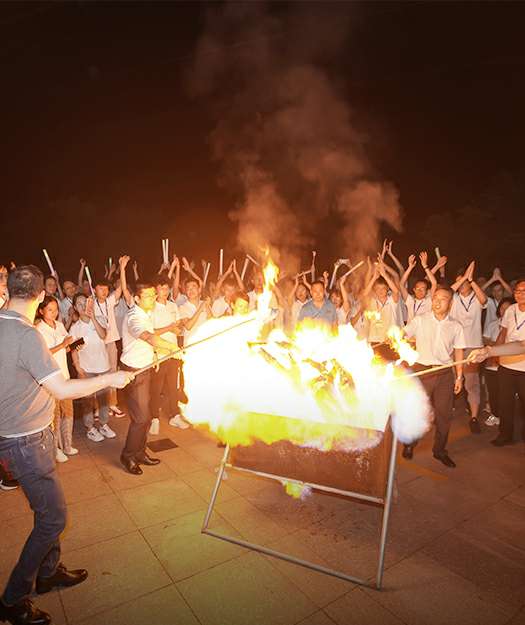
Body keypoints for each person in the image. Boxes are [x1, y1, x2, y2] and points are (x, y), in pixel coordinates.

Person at [0, 265, 131, 625]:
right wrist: (109, 379)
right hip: (25, 441)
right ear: (42, 295)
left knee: (47, 510)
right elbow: (61, 389)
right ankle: (13, 599)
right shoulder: (26, 334)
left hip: (23, 437)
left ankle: (48, 572)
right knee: (53, 517)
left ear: (8, 290)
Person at [119, 280, 181, 475]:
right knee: (141, 418)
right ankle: (128, 456)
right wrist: (171, 347)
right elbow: (147, 337)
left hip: (145, 367)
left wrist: (154, 355)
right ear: (137, 298)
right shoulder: (133, 317)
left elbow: (147, 342)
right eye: (148, 296)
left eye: (154, 295)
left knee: (145, 417)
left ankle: (139, 452)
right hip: (134, 371)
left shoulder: (146, 313)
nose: (153, 298)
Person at [402, 287, 466, 467]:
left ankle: (439, 450)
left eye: (442, 299)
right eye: (435, 298)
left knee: (444, 414)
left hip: (444, 372)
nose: (437, 302)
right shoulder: (420, 320)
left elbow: (459, 352)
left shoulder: (456, 326)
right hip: (422, 371)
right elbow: (404, 333)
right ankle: (410, 442)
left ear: (450, 303)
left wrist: (459, 376)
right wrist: (396, 335)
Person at [70, 294, 117, 443]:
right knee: (88, 401)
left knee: (104, 399)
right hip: (87, 369)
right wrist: (78, 367)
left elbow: (103, 335)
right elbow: (73, 350)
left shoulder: (100, 319)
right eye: (79, 304)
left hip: (103, 366)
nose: (83, 306)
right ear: (75, 308)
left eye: (85, 302)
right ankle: (90, 428)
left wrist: (93, 318)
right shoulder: (75, 328)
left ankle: (103, 424)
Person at [35, 296, 77, 462]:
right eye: (50, 310)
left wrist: (73, 346)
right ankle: (55, 449)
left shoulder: (59, 325)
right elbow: (43, 354)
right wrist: (63, 344)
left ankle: (67, 444)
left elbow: (65, 348)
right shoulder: (38, 329)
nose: (54, 313)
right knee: (54, 415)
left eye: (56, 309)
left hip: (64, 374)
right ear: (41, 311)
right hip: (51, 378)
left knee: (68, 412)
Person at [450, 261, 487, 434]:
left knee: (472, 383)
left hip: (473, 346)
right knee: (453, 380)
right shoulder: (453, 298)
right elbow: (447, 292)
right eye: (460, 281)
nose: (462, 284)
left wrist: (471, 280)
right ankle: (447, 410)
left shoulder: (476, 297)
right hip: (455, 346)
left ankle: (473, 417)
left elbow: (484, 300)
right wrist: (464, 277)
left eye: (465, 281)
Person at [489, 279, 525, 447]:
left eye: (524, 291)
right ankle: (505, 434)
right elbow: (503, 333)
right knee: (505, 402)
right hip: (507, 365)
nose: (520, 294)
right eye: (517, 291)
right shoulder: (510, 310)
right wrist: (495, 352)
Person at [149, 276, 187, 432]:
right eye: (161, 288)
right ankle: (154, 418)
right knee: (156, 388)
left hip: (173, 352)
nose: (165, 292)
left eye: (167, 288)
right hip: (158, 353)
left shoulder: (172, 306)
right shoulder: (151, 308)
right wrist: (169, 327)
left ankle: (174, 415)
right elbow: (151, 333)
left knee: (173, 386)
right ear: (155, 290)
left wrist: (177, 328)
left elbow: (177, 330)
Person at [92, 276, 125, 418]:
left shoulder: (110, 301)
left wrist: (122, 269)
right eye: (101, 288)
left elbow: (120, 289)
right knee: (98, 375)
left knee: (112, 373)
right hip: (97, 344)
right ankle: (98, 407)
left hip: (110, 342)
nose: (104, 291)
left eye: (106, 288)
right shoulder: (90, 304)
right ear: (94, 289)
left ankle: (112, 404)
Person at [481, 297, 513, 427]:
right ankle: (495, 414)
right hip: (492, 364)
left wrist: (496, 346)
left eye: (507, 308)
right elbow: (485, 340)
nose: (504, 311)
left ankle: (506, 418)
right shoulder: (492, 324)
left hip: (508, 364)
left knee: (506, 393)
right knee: (493, 392)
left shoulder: (516, 326)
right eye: (502, 308)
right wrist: (496, 347)